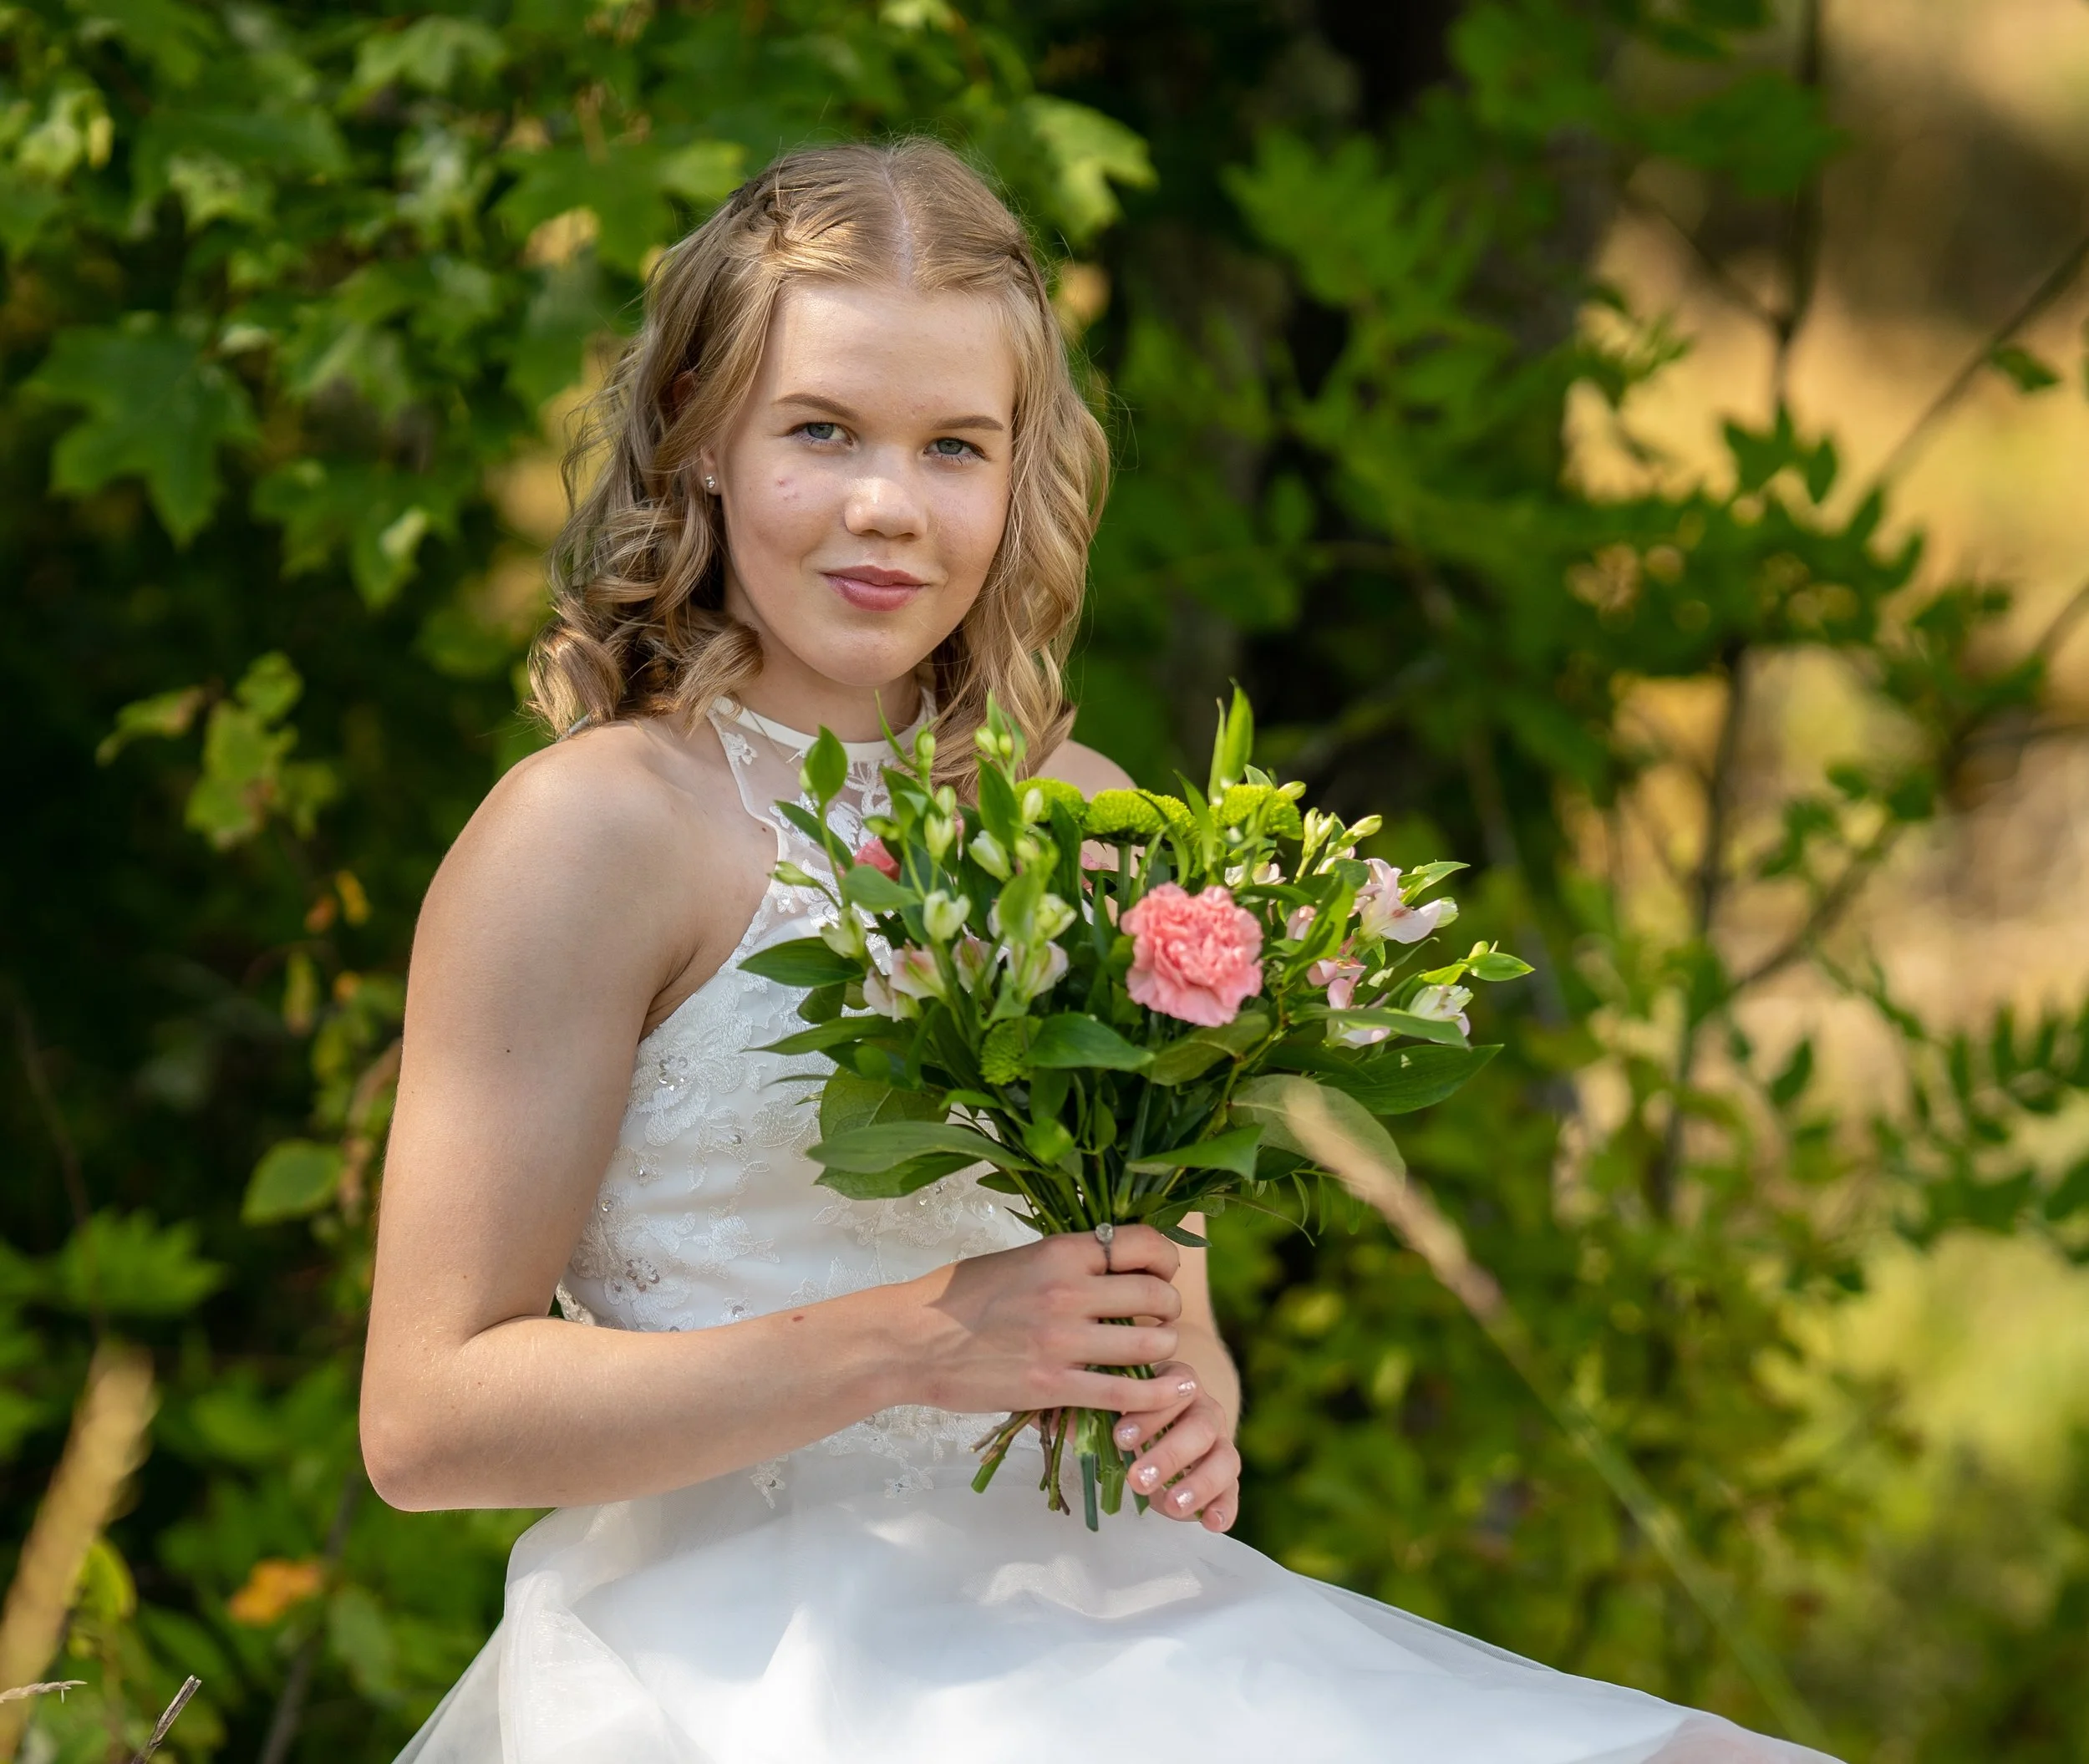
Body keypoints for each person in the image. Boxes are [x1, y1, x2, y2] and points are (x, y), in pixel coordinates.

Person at [362, 138, 1837, 1764]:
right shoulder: (590, 833)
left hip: (1087, 1610)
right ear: (703, 434)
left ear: (1019, 471)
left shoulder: (1092, 820)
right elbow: (427, 1418)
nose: (886, 505)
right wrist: (921, 1335)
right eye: (820, 430)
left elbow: (1142, 1287)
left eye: (952, 446)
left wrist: (1183, 1374)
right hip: (744, 1650)